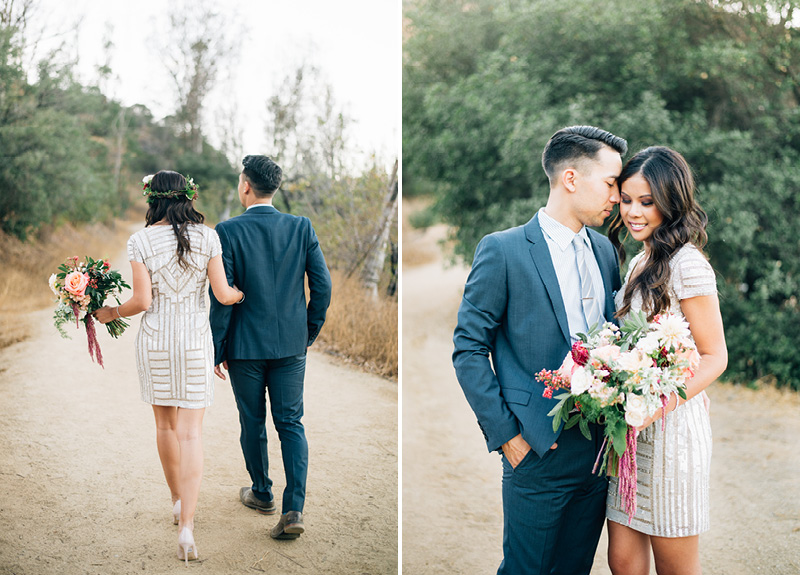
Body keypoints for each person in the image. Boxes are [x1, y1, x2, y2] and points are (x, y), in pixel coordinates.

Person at [453, 125, 627, 574]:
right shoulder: (503, 250)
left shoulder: (606, 250)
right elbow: (469, 347)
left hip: (597, 449)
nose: (617, 197)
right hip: (535, 446)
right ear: (571, 179)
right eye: (610, 183)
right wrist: (507, 437)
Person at [95, 170, 243, 564]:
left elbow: (141, 301)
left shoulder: (140, 240)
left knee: (164, 426)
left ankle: (177, 501)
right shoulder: (209, 236)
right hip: (195, 345)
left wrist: (111, 313)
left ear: (152, 198)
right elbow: (223, 295)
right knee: (191, 434)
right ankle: (187, 528)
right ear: (189, 196)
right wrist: (242, 293)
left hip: (157, 343)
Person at [605, 146, 727, 575]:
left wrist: (656, 407)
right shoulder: (640, 259)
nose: (633, 212)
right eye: (627, 199)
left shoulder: (687, 263)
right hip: (631, 434)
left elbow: (715, 356)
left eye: (647, 202)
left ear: (670, 202)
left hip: (671, 431)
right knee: (622, 562)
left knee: (674, 568)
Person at [209, 155, 332, 540]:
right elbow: (323, 286)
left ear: (246, 185)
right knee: (291, 423)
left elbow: (222, 298)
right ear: (273, 188)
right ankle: (294, 508)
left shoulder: (226, 231)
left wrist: (218, 348)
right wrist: (307, 332)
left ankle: (262, 493)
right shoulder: (301, 227)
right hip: (291, 347)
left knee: (252, 420)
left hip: (244, 348)